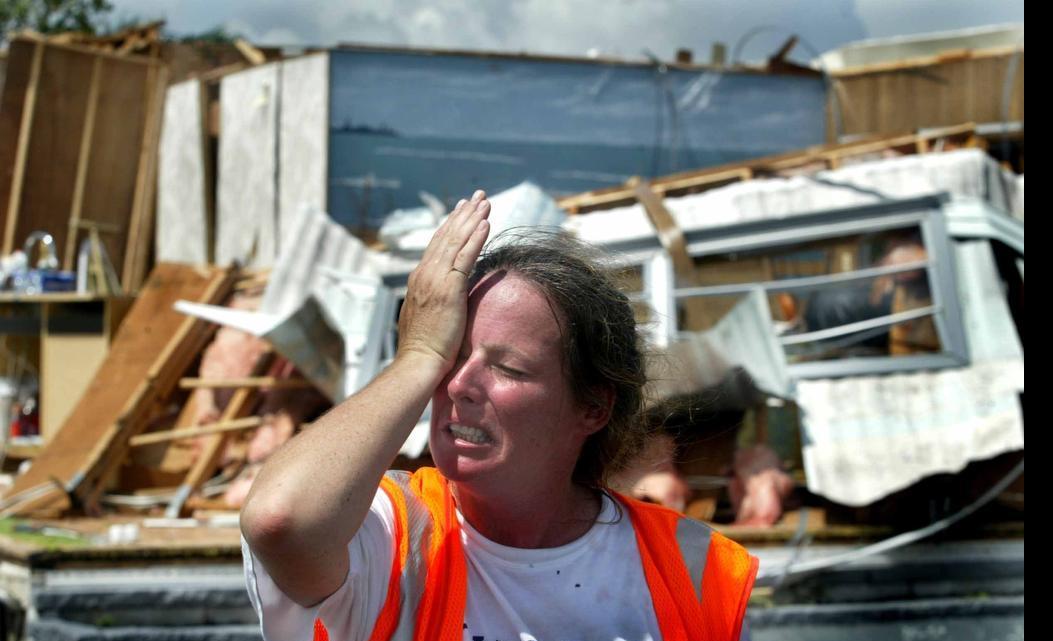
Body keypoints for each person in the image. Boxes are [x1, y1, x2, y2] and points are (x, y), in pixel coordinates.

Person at [240, 190, 758, 641]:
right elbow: (279, 519)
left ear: (594, 407)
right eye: (451, 356)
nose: (459, 384)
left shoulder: (697, 568)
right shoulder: (390, 538)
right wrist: (418, 354)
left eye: (507, 368)